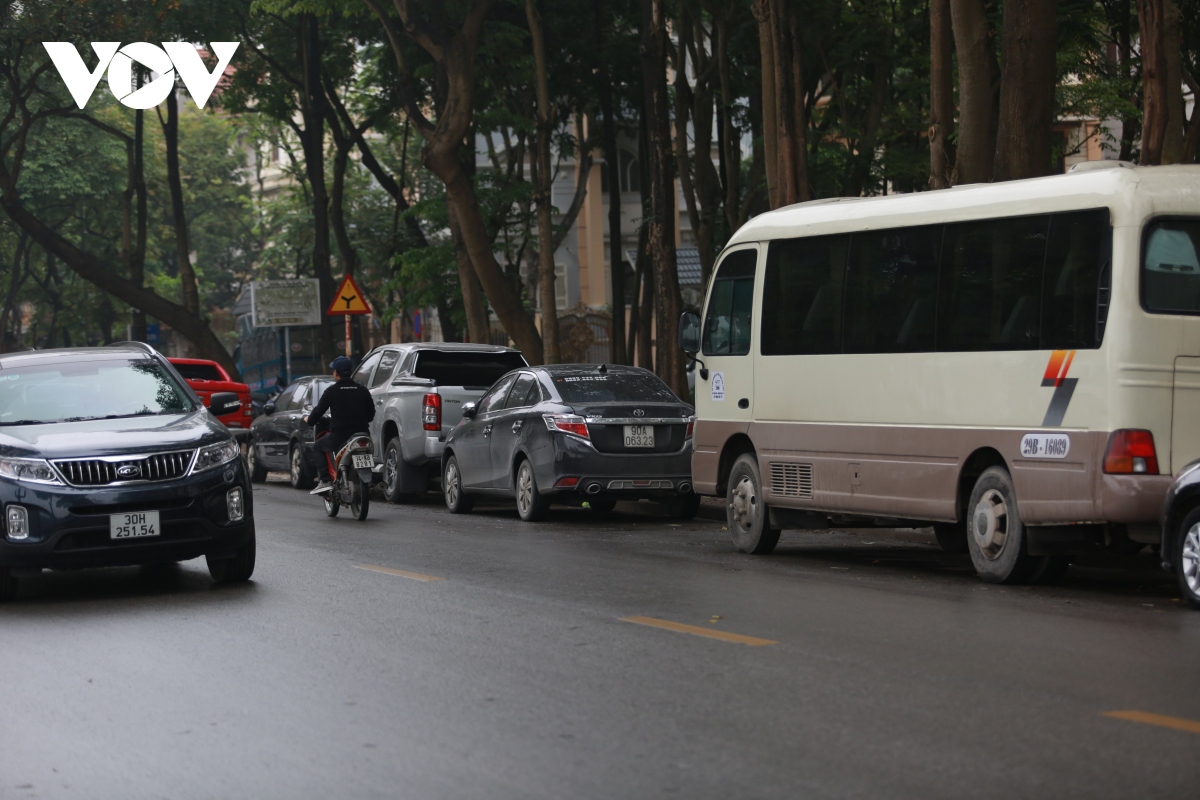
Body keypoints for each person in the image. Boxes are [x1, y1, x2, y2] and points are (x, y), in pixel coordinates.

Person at [305, 356, 375, 494]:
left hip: (340, 437)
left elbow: (317, 413)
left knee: (318, 447)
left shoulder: (331, 391)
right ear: (350, 372)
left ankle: (325, 480)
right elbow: (371, 415)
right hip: (362, 435)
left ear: (336, 373)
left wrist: (309, 420)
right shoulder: (362, 390)